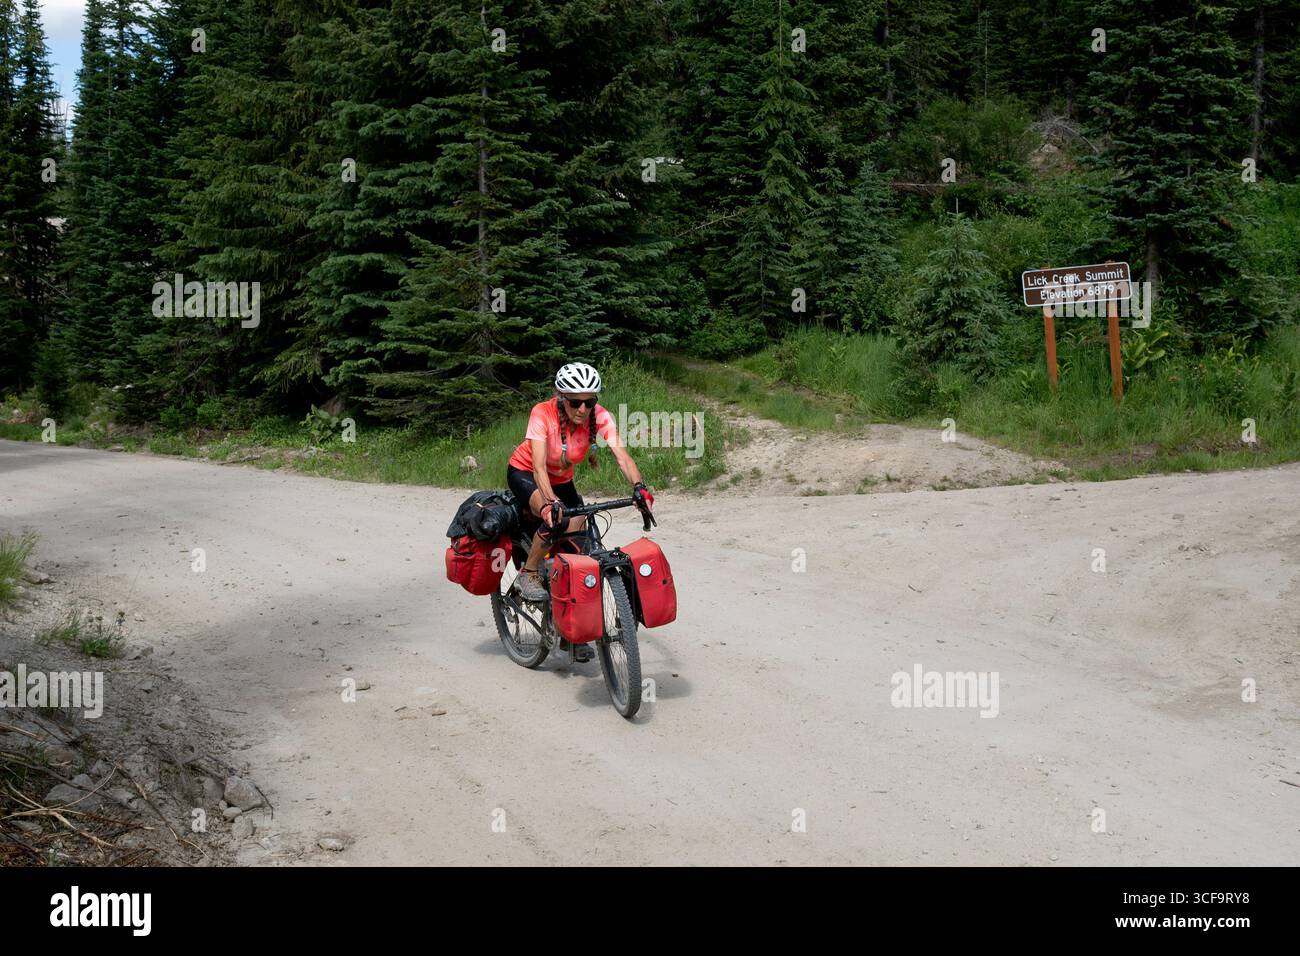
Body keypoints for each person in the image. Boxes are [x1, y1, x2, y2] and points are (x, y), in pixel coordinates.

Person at [505, 362, 653, 610]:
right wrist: (550, 503)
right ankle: (528, 573)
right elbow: (539, 467)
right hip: (526, 473)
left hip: (562, 480)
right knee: (557, 518)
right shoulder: (542, 413)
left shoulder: (600, 416)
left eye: (589, 402)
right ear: (561, 398)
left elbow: (623, 458)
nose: (583, 409)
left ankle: (567, 621)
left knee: (579, 535)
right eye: (575, 402)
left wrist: (639, 487)